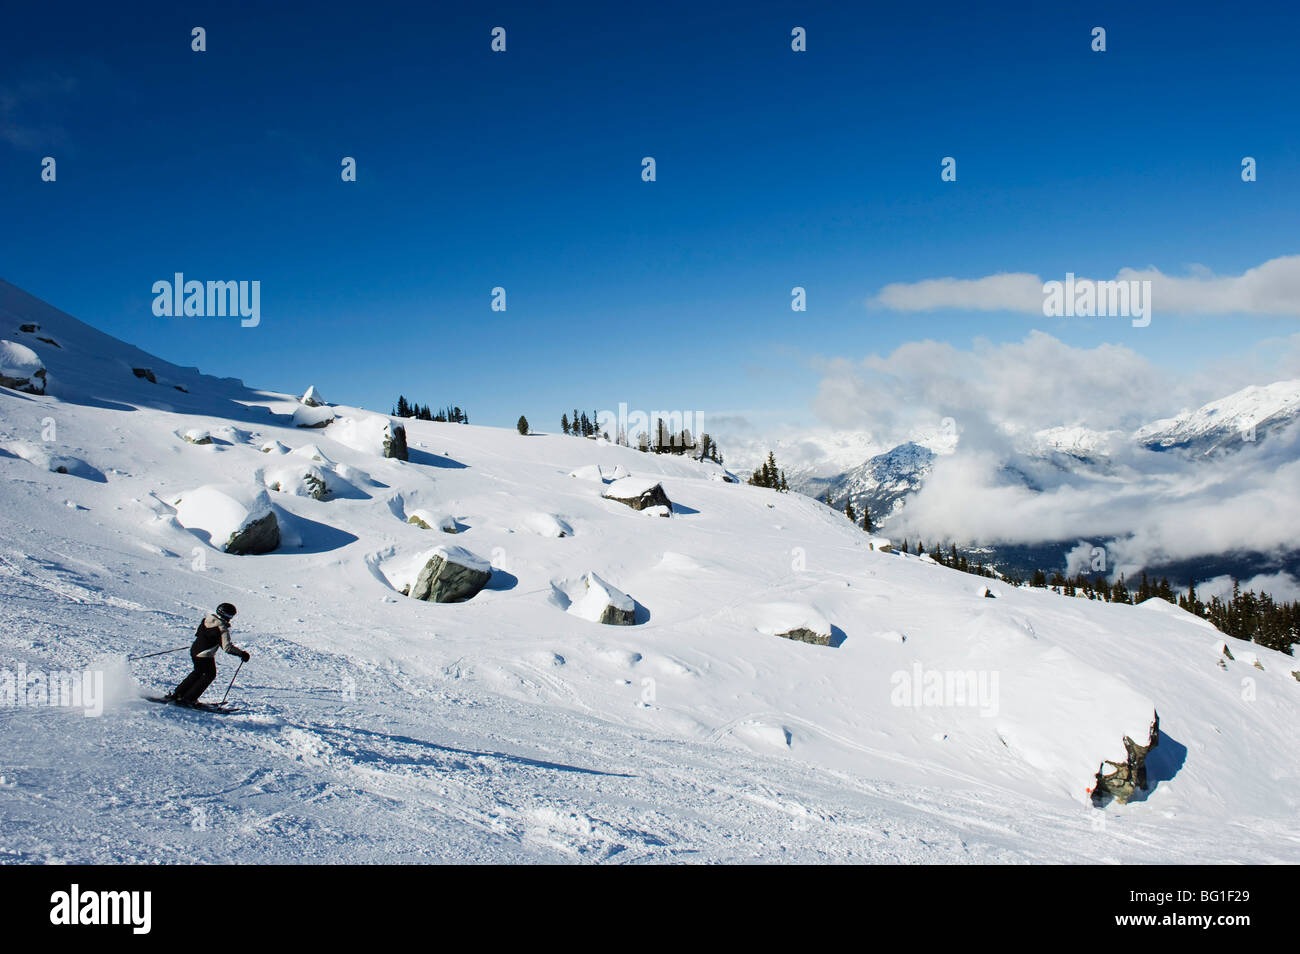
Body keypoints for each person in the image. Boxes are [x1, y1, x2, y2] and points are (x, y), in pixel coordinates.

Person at [169, 603, 249, 705]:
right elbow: (227, 648)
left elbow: (198, 633)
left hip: (195, 650)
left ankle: (178, 694)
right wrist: (242, 654)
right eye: (230, 616)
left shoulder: (207, 619)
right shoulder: (221, 628)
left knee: (197, 672)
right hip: (205, 654)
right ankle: (189, 699)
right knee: (209, 675)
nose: (231, 618)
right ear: (226, 615)